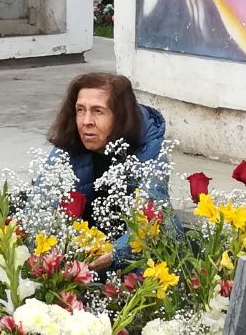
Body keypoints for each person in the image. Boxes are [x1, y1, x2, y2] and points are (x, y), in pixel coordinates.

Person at [46, 73, 168, 270]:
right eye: (80, 110)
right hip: (82, 252)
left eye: (98, 111)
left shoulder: (149, 151)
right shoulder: (67, 147)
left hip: (132, 258)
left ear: (120, 116)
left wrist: (116, 254)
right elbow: (42, 204)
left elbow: (150, 221)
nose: (86, 121)